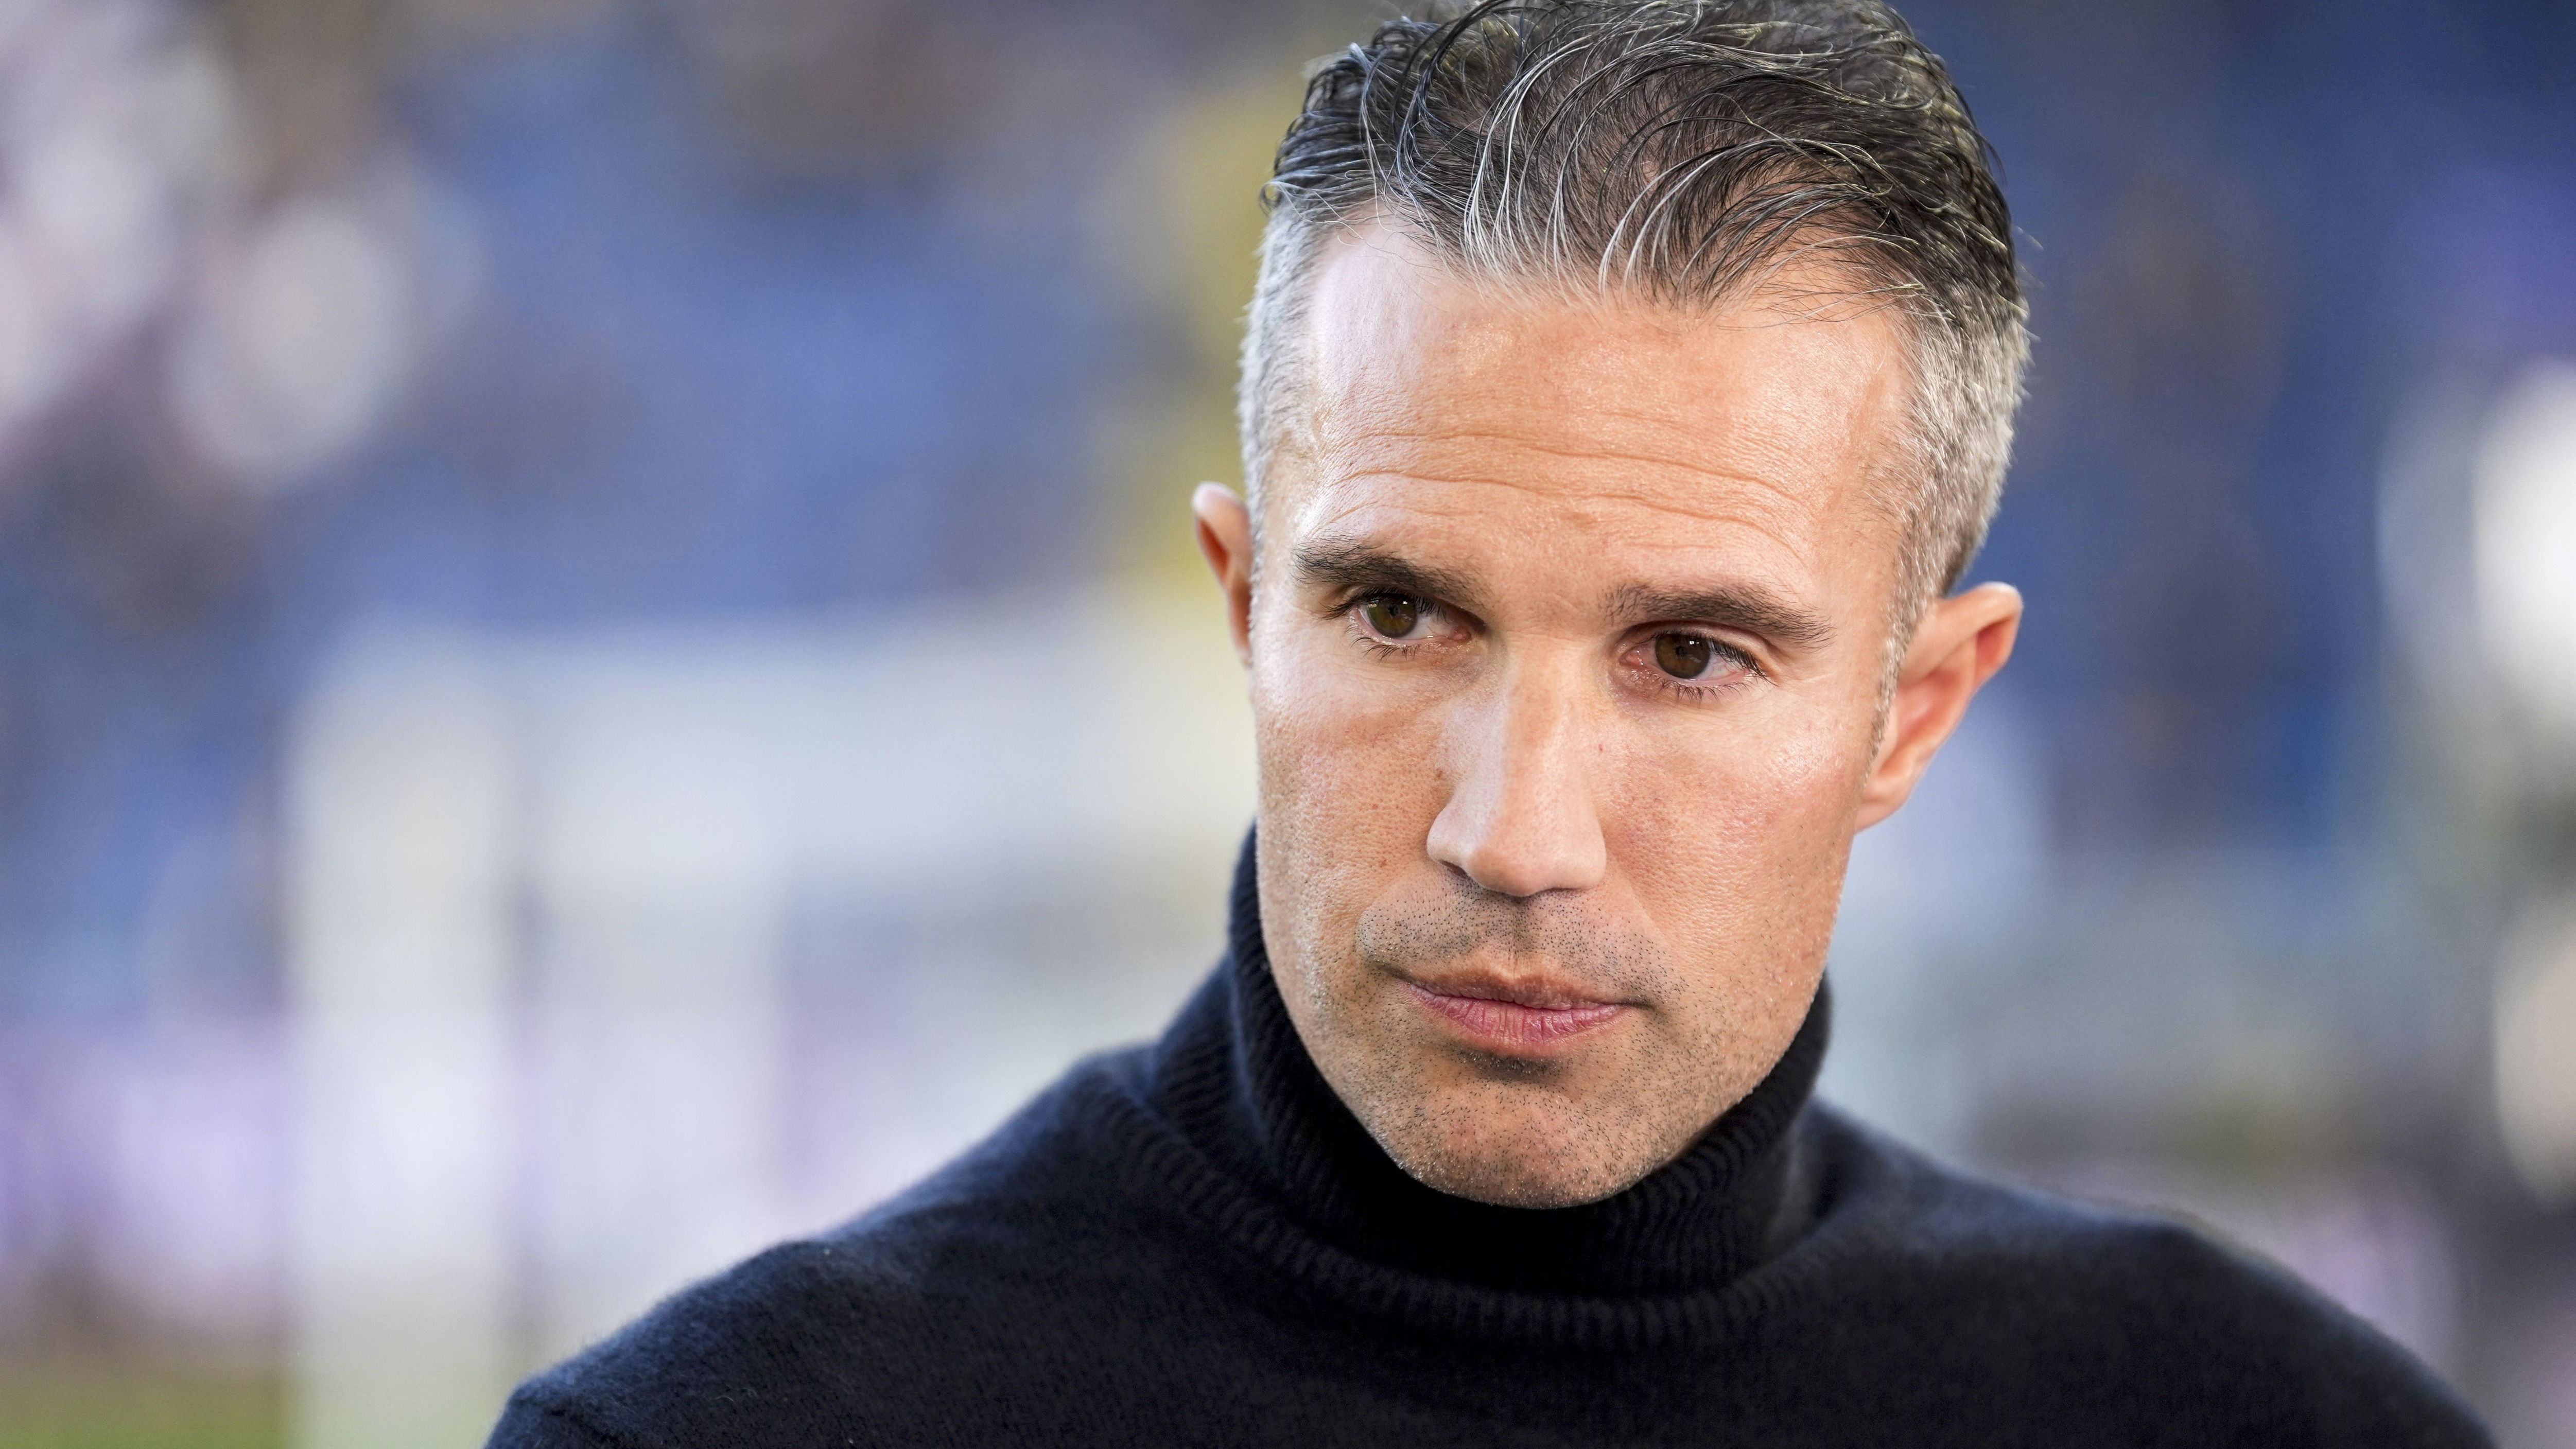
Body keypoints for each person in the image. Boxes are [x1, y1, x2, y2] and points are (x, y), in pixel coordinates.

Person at [487, 2, 2488, 1443]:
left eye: (1688, 655)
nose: (1515, 834)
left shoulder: (2263, 1419)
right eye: (1400, 615)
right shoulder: (722, 1430)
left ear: (1916, 710)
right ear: (1245, 610)